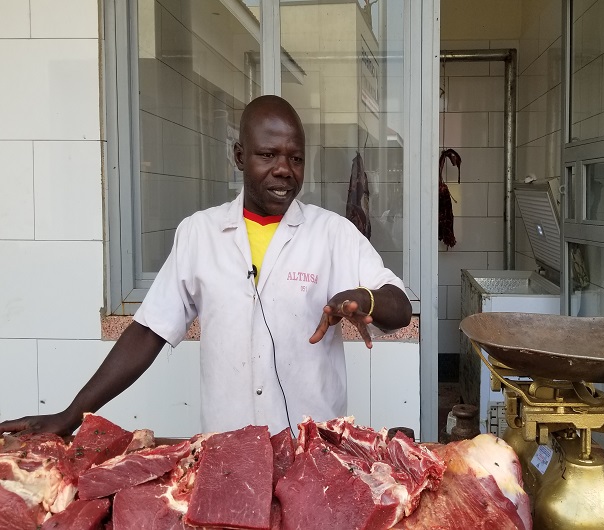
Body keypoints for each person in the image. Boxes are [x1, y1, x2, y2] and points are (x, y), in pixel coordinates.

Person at [0, 95, 412, 437]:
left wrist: (365, 298)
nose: (284, 169)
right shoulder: (199, 234)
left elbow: (399, 308)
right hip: (228, 455)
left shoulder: (332, 234)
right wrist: (71, 416)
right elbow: (148, 332)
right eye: (268, 154)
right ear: (239, 155)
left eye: (296, 158)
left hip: (314, 451)